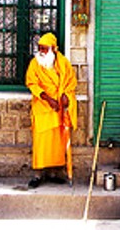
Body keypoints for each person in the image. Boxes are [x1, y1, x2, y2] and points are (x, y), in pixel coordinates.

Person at [25, 32, 77, 188]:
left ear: (54, 49)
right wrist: (48, 99)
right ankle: (38, 175)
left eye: (45, 48)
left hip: (58, 110)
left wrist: (66, 96)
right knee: (41, 143)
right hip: (42, 106)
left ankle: (54, 173)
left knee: (56, 143)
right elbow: (31, 83)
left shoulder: (63, 63)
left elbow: (71, 82)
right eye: (40, 48)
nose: (42, 51)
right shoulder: (35, 63)